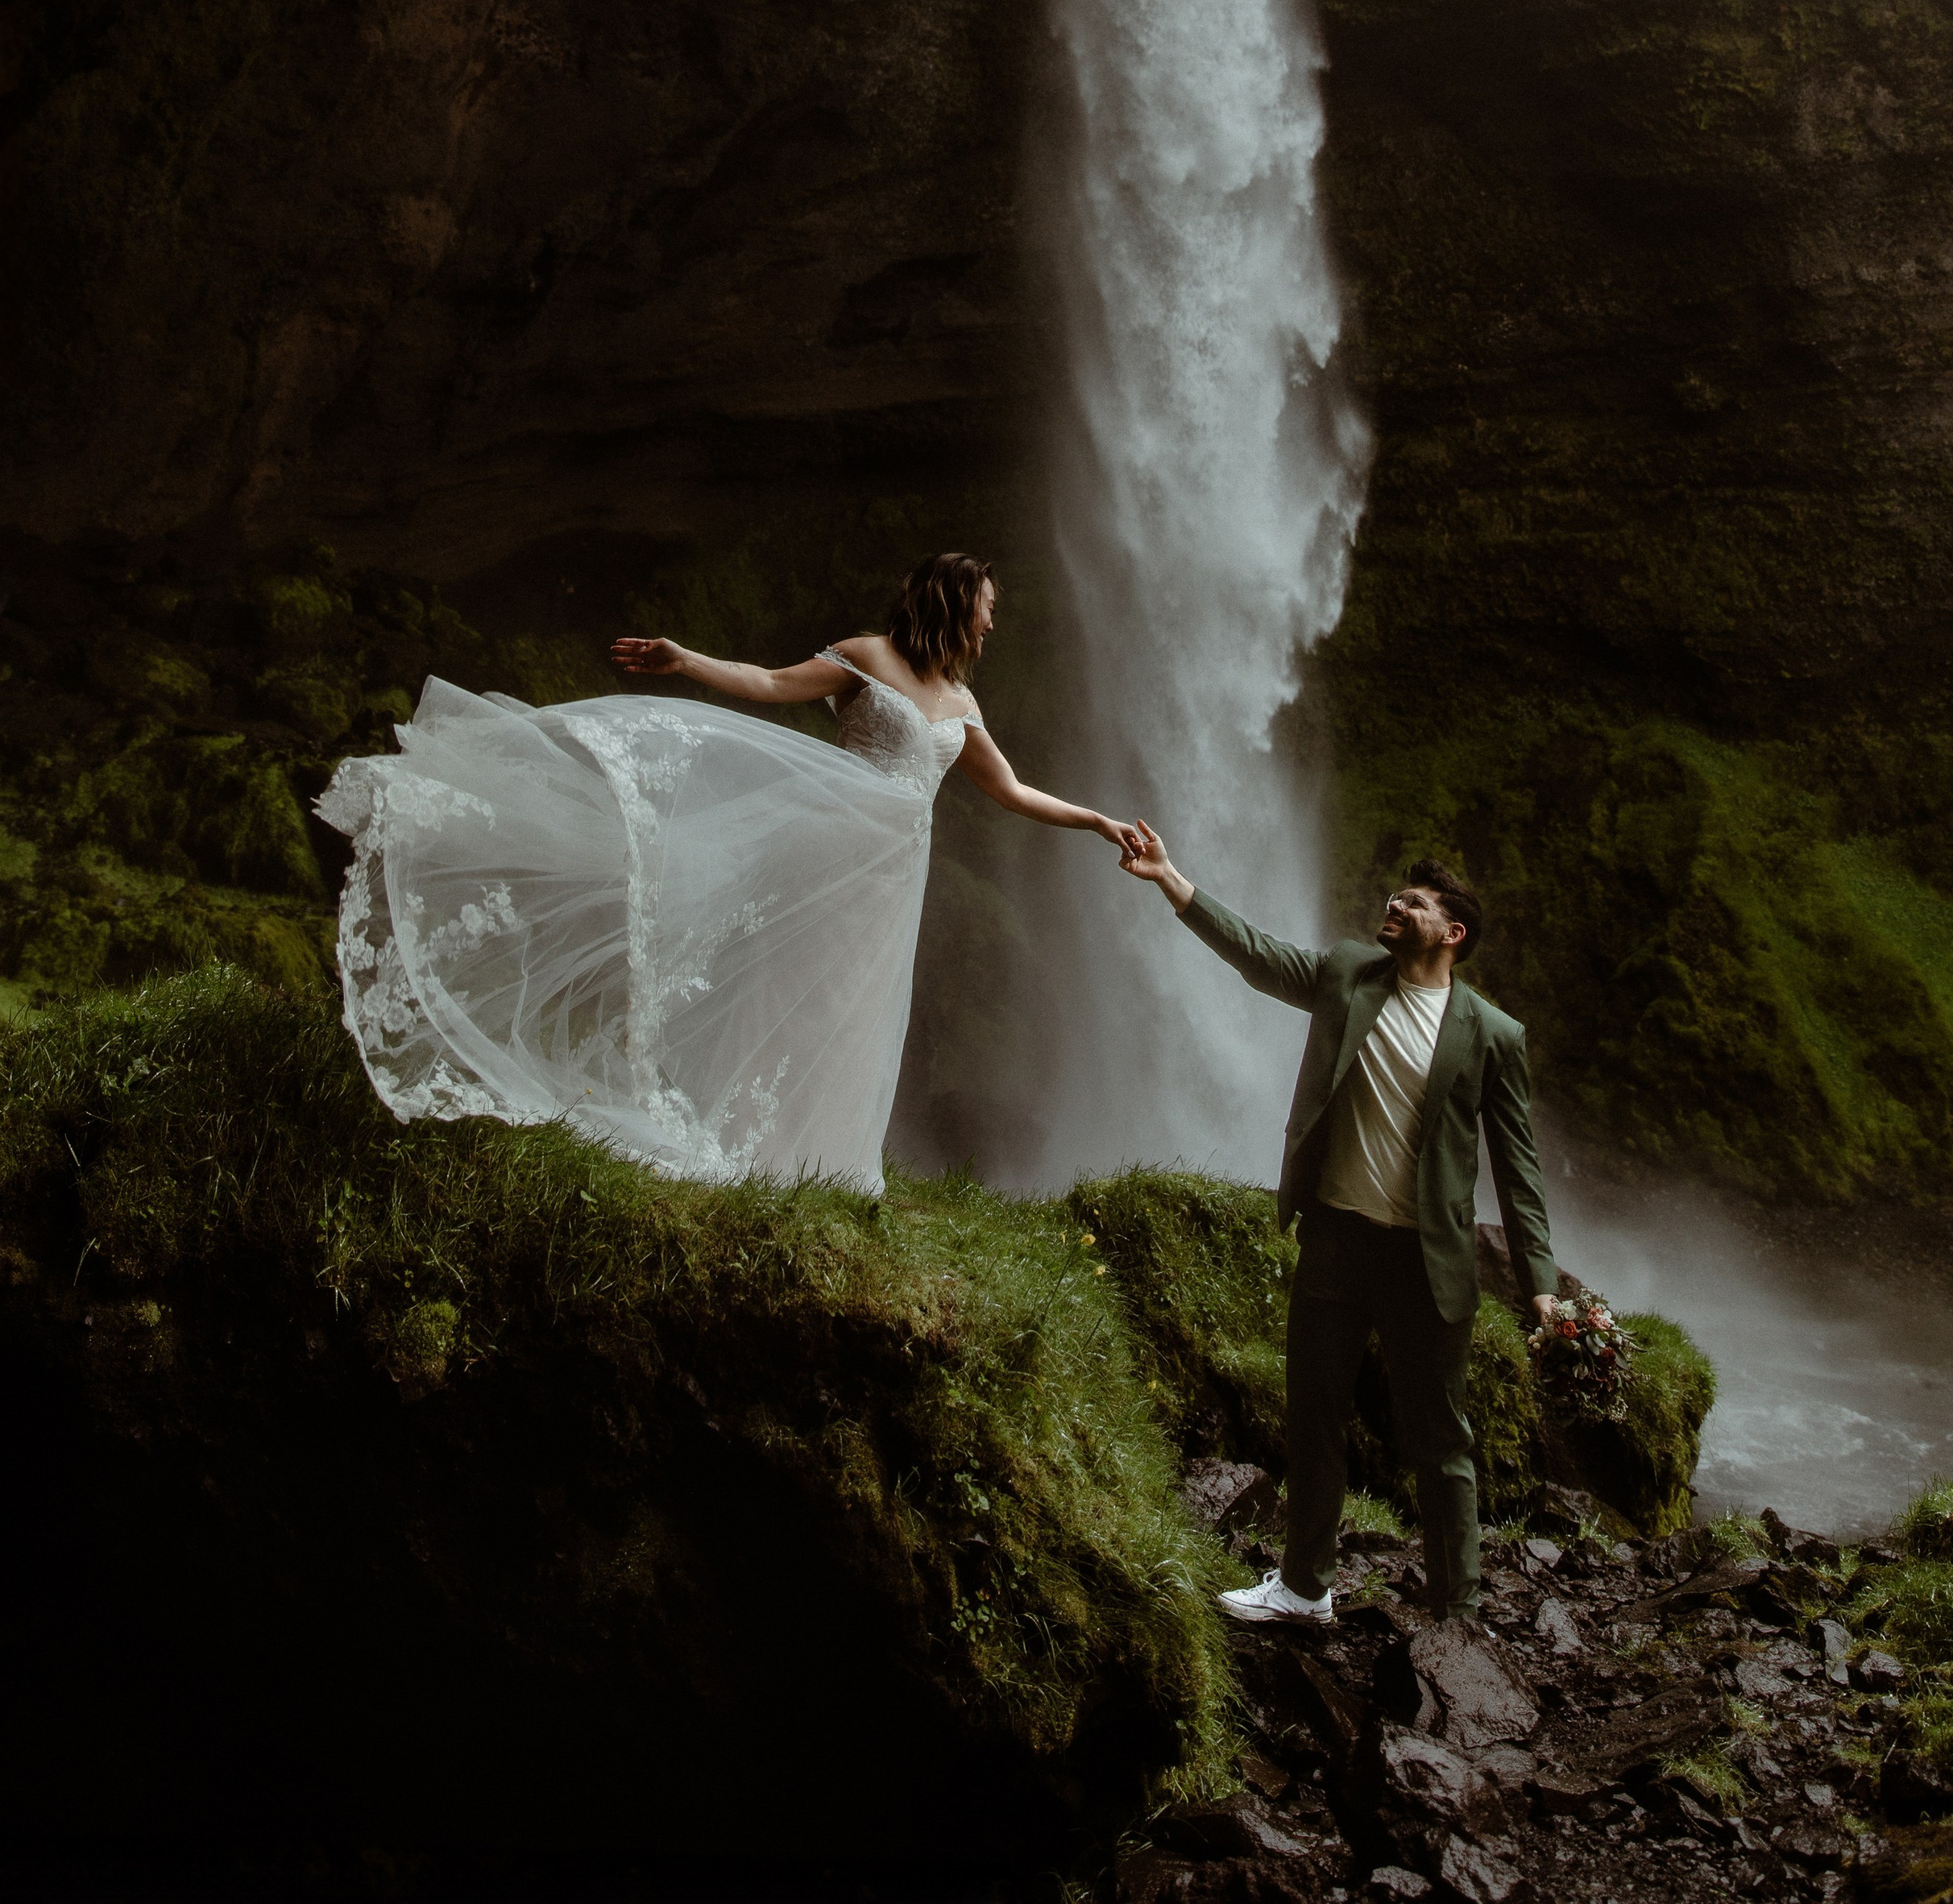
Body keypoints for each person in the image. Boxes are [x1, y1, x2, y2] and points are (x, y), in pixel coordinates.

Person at [319, 553, 1134, 1193]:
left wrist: (1095, 820)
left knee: (844, 1003)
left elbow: (1010, 788)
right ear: (956, 604)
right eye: (986, 614)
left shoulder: (962, 705)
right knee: (774, 979)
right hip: (822, 838)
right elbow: (773, 683)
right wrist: (685, 661)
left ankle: (806, 1160)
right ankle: (718, 1126)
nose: (990, 631)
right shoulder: (867, 657)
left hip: (887, 878)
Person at [1118, 825, 1559, 1627]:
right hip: (1335, 1239)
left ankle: (1456, 1612)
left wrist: (1541, 1289)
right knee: (1314, 1411)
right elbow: (1259, 956)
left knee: (1439, 1438)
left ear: (1451, 933)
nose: (1395, 905)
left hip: (1425, 1258)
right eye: (1396, 896)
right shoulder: (1349, 974)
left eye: (1415, 903)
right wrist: (1170, 880)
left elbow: (1517, 1168)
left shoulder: (1493, 1036)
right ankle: (1305, 1587)